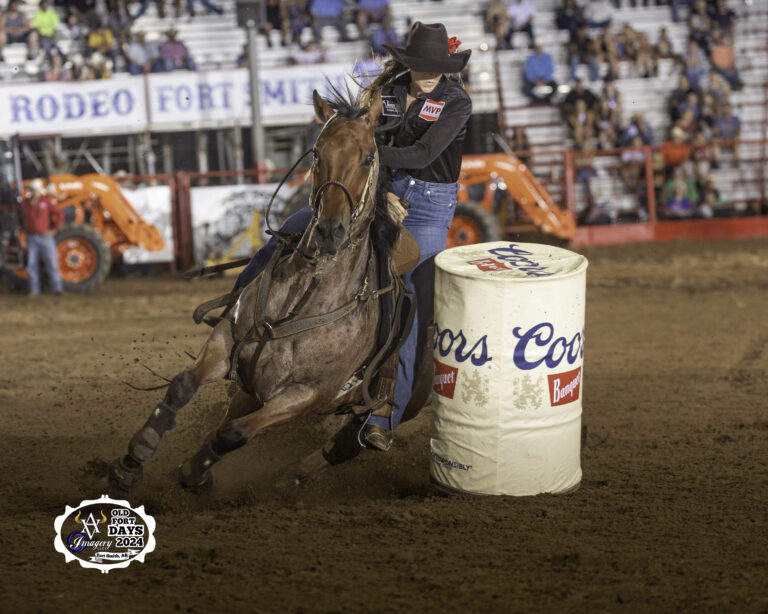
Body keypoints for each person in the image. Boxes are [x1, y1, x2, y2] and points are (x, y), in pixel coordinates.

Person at [232, 22, 472, 451]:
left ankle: (386, 410)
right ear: (408, 63)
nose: (430, 73)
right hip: (378, 188)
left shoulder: (455, 102)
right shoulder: (391, 93)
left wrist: (370, 162)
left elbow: (424, 154)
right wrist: (372, 179)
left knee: (411, 293)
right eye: (423, 65)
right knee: (291, 229)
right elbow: (357, 138)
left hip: (429, 209)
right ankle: (234, 315)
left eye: (437, 66)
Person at [21, 178, 64, 297]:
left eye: (36, 190)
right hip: (31, 237)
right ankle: (34, 290)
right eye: (32, 189)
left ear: (39, 191)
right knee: (31, 265)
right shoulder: (25, 204)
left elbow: (59, 214)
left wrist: (55, 229)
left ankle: (57, 288)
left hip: (45, 237)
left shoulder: (46, 202)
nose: (34, 192)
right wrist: (23, 228)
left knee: (52, 263)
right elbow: (20, 217)